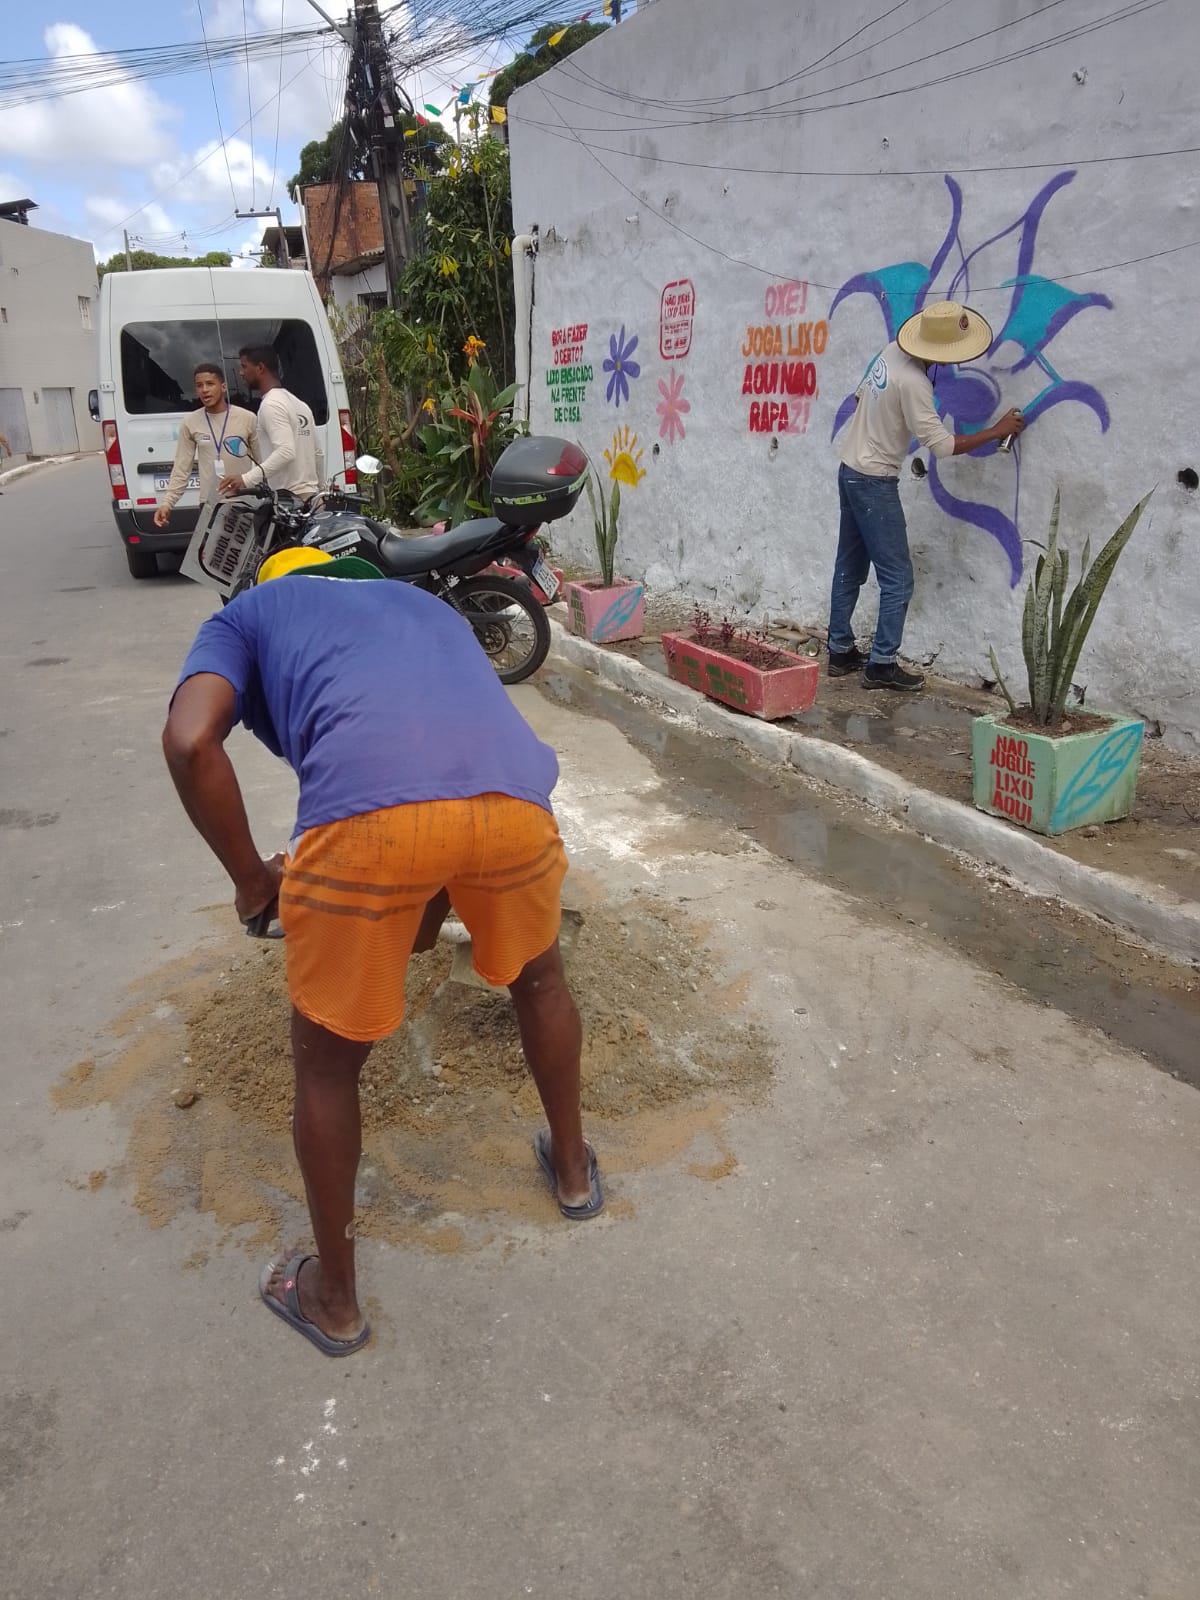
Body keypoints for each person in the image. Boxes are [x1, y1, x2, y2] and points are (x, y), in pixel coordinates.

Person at [162, 547, 602, 1357]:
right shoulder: (426, 609)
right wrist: (419, 923)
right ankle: (573, 1174)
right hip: (515, 802)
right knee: (541, 984)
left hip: (369, 826)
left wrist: (255, 883)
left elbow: (191, 742)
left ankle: (334, 1299)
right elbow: (442, 776)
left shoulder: (250, 615)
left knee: (326, 1067)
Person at [828, 300, 1025, 692]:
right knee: (898, 578)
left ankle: (838, 650)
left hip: (849, 469)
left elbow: (857, 398)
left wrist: (883, 421)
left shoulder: (890, 351)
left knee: (849, 566)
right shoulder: (915, 383)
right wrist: (997, 428)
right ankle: (881, 664)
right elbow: (942, 446)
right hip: (874, 480)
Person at [153, 363, 258, 528]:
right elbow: (182, 468)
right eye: (199, 385)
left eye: (210, 384)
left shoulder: (247, 418)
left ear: (223, 387)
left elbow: (263, 464)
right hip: (210, 505)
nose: (204, 390)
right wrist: (167, 503)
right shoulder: (190, 422)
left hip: (245, 501)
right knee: (208, 553)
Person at [219, 345, 324, 501]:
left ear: (260, 368)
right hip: (312, 497)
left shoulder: (271, 405)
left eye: (244, 367)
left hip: (290, 500)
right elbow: (318, 454)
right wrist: (319, 490)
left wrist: (246, 479)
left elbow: (286, 452)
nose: (241, 373)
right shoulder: (300, 404)